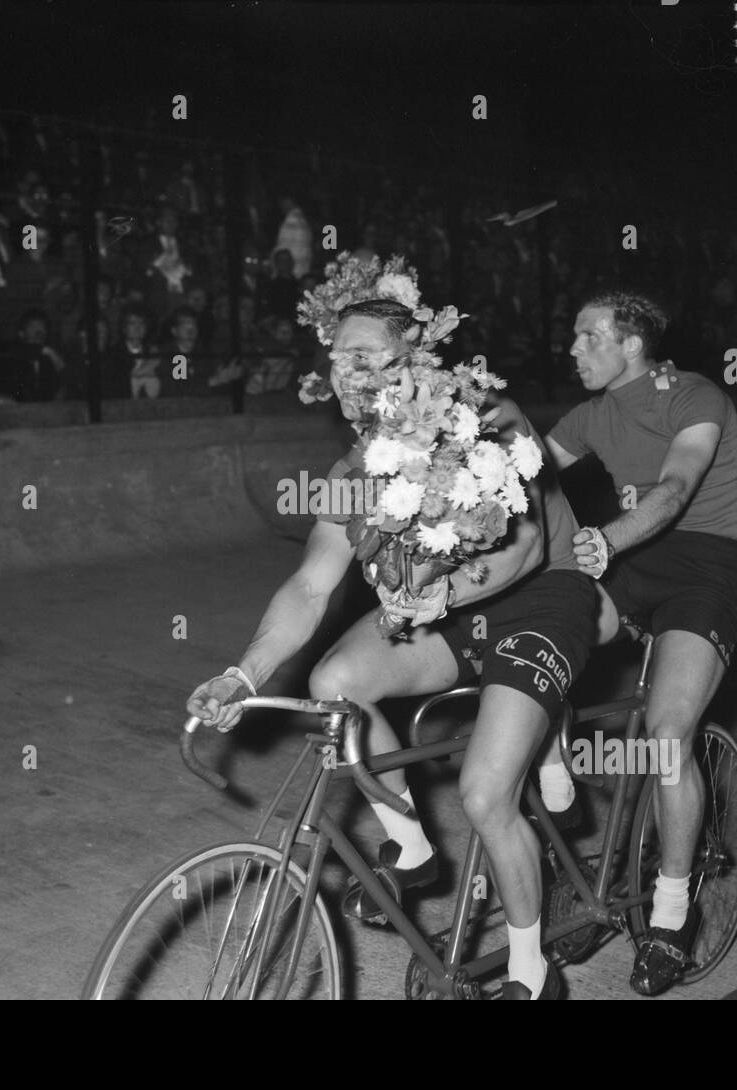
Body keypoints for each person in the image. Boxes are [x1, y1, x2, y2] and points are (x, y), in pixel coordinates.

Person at [187, 297, 594, 1000]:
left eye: (364, 357)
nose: (344, 373)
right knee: (337, 678)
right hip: (454, 612)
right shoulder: (356, 469)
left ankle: (533, 973)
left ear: (415, 362)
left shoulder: (483, 418)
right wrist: (240, 676)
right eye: (337, 358)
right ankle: (412, 849)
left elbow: (525, 548)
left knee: (485, 791)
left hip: (541, 598)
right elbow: (312, 587)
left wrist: (440, 598)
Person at [539, 289, 737, 996]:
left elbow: (675, 488)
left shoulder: (693, 395)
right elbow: (520, 475)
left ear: (631, 343)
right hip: (631, 568)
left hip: (705, 569)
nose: (573, 349)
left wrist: (604, 539)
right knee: (539, 643)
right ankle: (552, 767)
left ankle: (670, 911)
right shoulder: (590, 414)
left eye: (586, 336)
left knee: (665, 736)